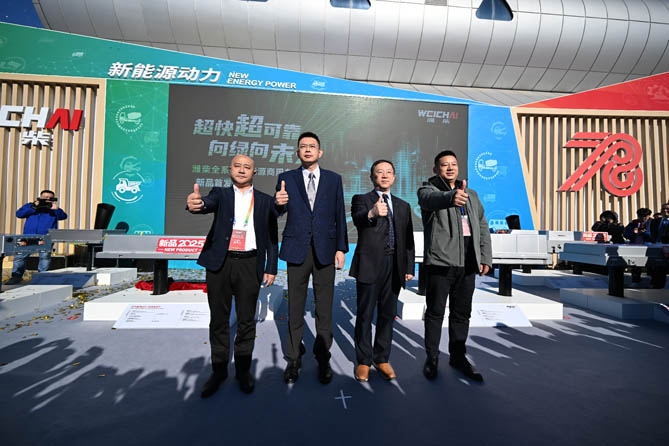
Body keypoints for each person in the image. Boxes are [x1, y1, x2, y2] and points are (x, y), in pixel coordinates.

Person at [187, 154, 278, 397]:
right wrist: (197, 204)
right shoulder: (220, 194)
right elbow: (205, 203)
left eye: (247, 167)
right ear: (229, 169)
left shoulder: (265, 201)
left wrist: (271, 267)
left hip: (250, 263)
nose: (241, 170)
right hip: (221, 264)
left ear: (254, 172)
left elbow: (271, 236)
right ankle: (218, 371)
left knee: (247, 320)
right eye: (237, 166)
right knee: (219, 319)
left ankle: (243, 371)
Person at [274, 131, 348, 385]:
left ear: (320, 152)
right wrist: (278, 203)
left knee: (324, 308)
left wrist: (341, 248)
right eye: (303, 146)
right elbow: (279, 210)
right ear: (297, 152)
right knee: (295, 306)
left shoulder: (333, 179)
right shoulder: (286, 178)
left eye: (312, 146)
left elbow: (339, 213)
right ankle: (294, 358)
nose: (307, 149)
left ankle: (323, 357)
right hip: (297, 248)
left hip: (326, 249)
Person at [417, 150, 492, 382]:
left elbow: (482, 225)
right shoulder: (428, 190)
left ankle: (458, 357)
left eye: (453, 164)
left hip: (467, 263)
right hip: (441, 263)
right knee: (435, 313)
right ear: (435, 169)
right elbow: (430, 201)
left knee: (461, 314)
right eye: (444, 165)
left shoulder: (472, 194)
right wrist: (451, 197)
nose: (450, 168)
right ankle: (432, 358)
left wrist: (485, 257)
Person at [349, 160, 415, 382]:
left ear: (394, 177)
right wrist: (372, 212)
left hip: (394, 266)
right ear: (372, 177)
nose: (384, 175)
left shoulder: (403, 205)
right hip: (369, 264)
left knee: (387, 314)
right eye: (379, 172)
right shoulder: (361, 200)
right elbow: (358, 219)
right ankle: (363, 361)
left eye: (388, 172)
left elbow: (408, 240)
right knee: (365, 314)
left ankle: (382, 358)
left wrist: (408, 266)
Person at [6, 189, 67, 285]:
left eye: (49, 198)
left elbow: (63, 216)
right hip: (28, 236)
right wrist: (33, 207)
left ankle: (42, 277)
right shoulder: (31, 205)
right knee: (19, 257)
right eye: (45, 197)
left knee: (44, 257)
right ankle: (16, 277)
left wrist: (56, 209)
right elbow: (19, 214)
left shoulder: (53, 209)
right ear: (40, 197)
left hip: (46, 237)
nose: (47, 199)